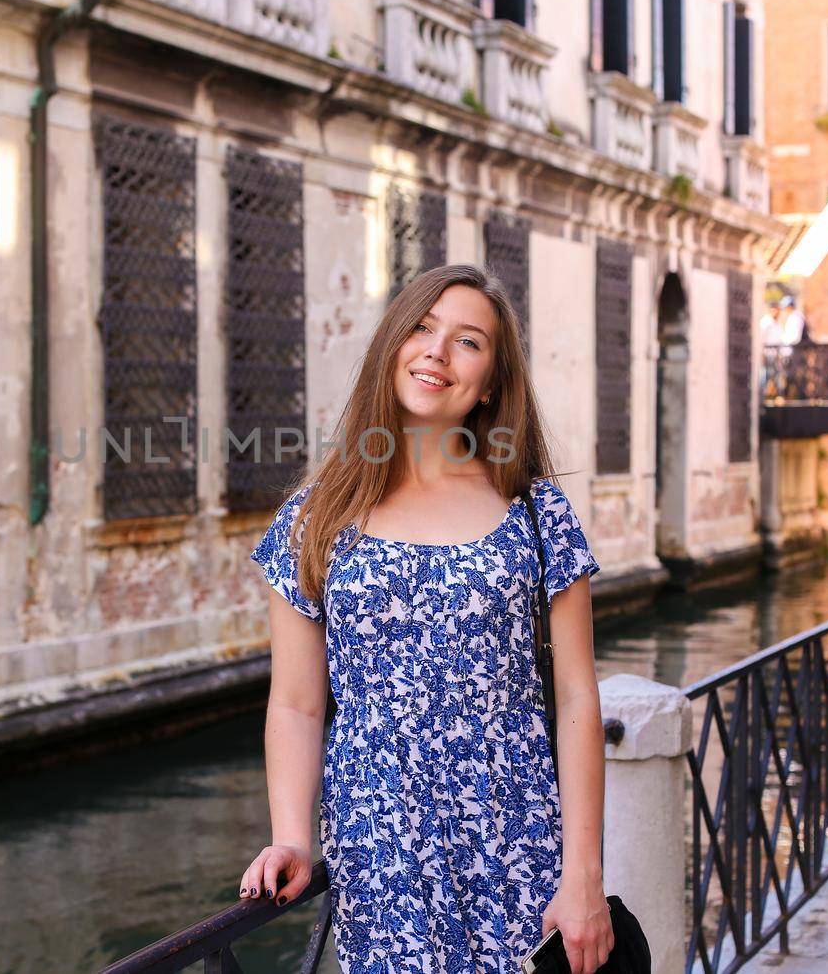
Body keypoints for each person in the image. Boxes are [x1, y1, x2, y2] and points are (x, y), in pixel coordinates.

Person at [240, 265, 615, 973]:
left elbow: (577, 699)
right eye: (420, 328)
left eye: (467, 341)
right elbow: (295, 702)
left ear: (494, 379)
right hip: (382, 857)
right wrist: (291, 835)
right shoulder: (315, 520)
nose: (436, 352)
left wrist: (583, 878)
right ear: (392, 346)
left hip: (518, 845)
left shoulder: (537, 514)